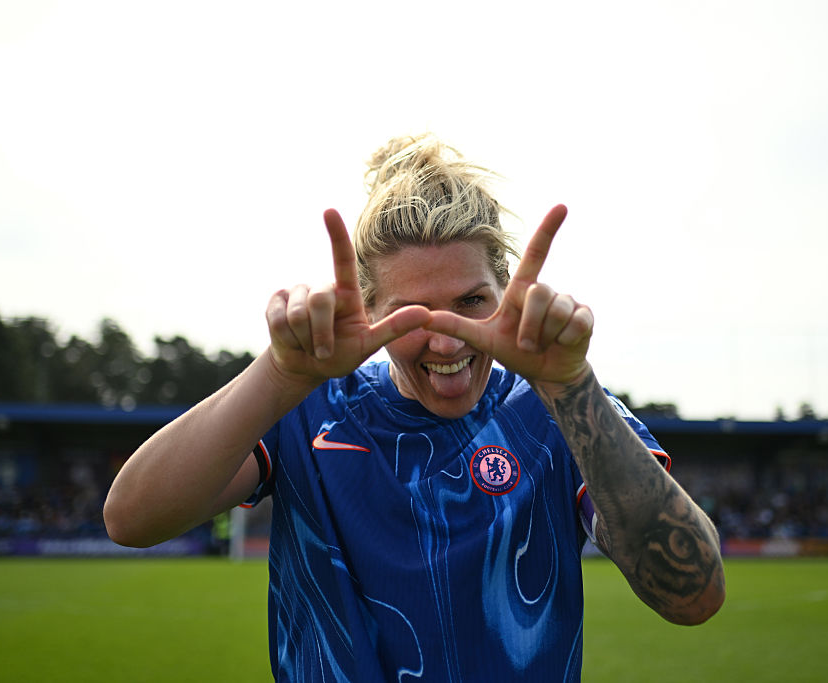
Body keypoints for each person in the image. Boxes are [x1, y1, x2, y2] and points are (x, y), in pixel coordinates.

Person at [104, 134, 725, 681]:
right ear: (369, 313)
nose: (448, 340)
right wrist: (279, 371)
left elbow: (694, 596)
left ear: (508, 291)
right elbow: (131, 520)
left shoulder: (563, 414)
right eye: (412, 316)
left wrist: (571, 386)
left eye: (472, 302)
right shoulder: (307, 408)